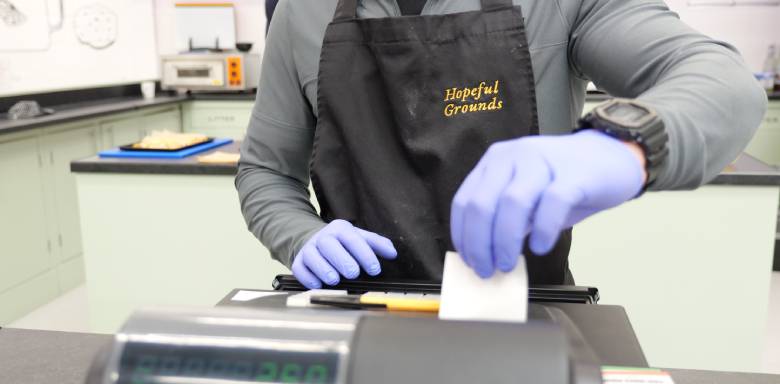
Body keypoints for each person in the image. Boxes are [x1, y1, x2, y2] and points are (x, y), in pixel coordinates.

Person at [237, 0, 766, 289]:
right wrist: (301, 236)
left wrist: (625, 144)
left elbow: (726, 85)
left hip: (526, 310)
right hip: (358, 308)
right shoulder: (301, 12)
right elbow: (266, 171)